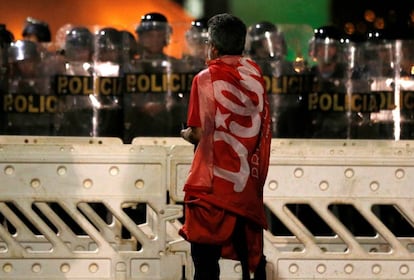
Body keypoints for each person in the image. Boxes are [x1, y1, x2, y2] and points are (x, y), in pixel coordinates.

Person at [179, 13, 272, 280]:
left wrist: (185, 134)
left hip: (210, 188)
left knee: (206, 266)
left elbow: (199, 133)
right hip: (244, 187)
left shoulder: (205, 78)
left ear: (214, 47)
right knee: (249, 264)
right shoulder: (255, 75)